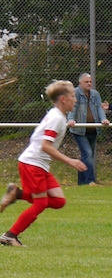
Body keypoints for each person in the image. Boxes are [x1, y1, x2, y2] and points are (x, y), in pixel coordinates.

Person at [0, 80, 87, 247]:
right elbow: (45, 146)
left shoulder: (57, 115)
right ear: (63, 99)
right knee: (41, 203)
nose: (75, 100)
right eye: (73, 96)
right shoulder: (57, 118)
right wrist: (69, 160)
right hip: (33, 164)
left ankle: (17, 194)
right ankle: (10, 236)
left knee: (58, 201)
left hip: (39, 165)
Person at [67, 73, 111, 186]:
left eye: (90, 81)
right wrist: (70, 120)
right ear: (80, 83)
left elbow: (99, 108)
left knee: (86, 156)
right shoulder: (75, 93)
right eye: (86, 82)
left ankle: (81, 182)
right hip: (80, 131)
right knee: (87, 153)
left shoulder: (95, 94)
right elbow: (73, 108)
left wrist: (103, 119)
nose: (89, 84)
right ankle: (90, 180)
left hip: (93, 130)